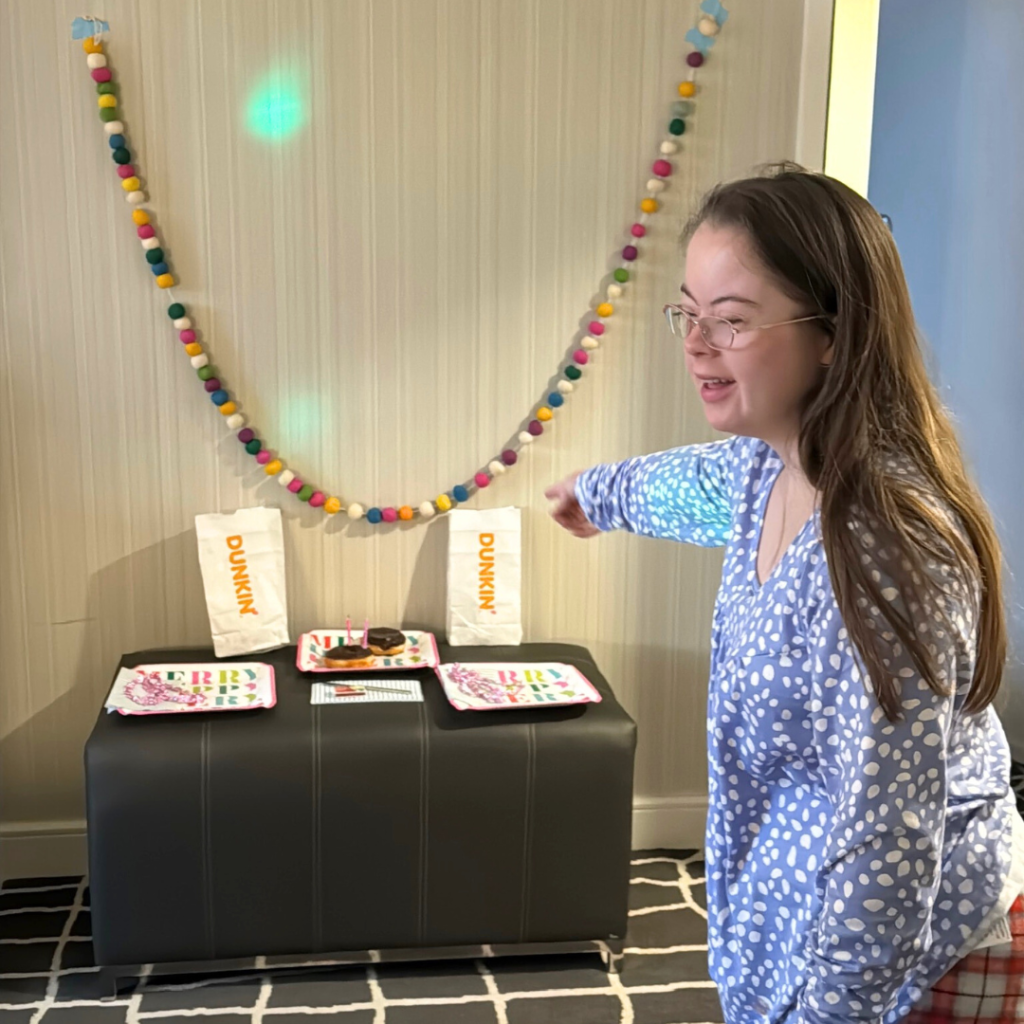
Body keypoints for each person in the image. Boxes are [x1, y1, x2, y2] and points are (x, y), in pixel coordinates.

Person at [546, 165, 1024, 1023]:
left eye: (729, 321)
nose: (695, 345)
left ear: (835, 333)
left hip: (913, 967)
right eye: (687, 314)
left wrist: (829, 1013)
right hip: (795, 909)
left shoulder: (880, 549)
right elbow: (694, 482)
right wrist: (596, 492)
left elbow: (888, 848)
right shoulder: (772, 462)